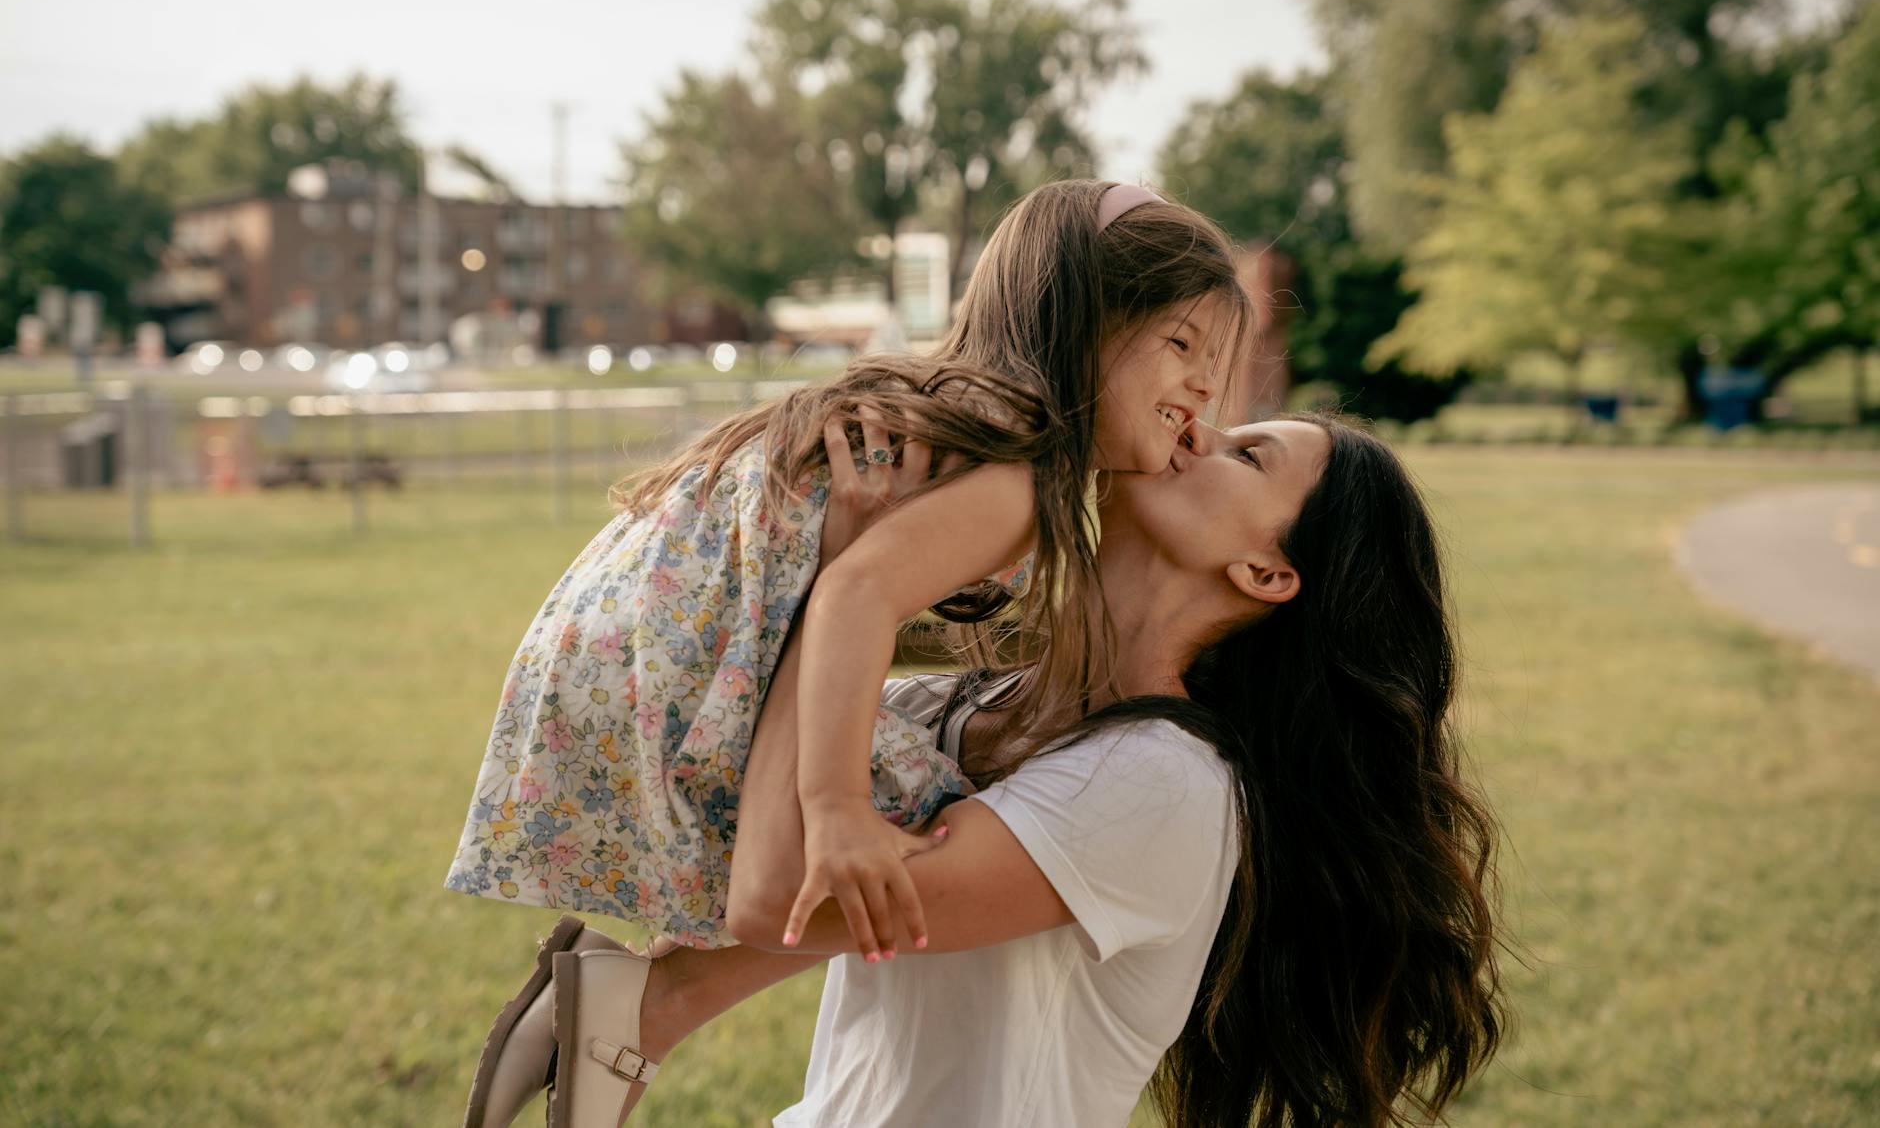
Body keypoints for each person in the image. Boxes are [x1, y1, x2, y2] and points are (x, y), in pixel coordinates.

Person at [447, 180, 1250, 1128]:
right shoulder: (1016, 480)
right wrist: (834, 807)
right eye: (1180, 345)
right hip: (676, 650)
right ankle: (636, 1007)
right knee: (936, 820)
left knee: (922, 785)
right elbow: (856, 596)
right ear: (1080, 324)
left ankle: (634, 1005)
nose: (1206, 388)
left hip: (628, 626)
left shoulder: (973, 426)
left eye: (1215, 360)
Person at [508, 414, 1509, 1128]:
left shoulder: (1164, 784)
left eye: (1248, 455)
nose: (1197, 429)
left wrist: (845, 584)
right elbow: (736, 795)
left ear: (1266, 570)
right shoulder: (970, 711)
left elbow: (781, 899)